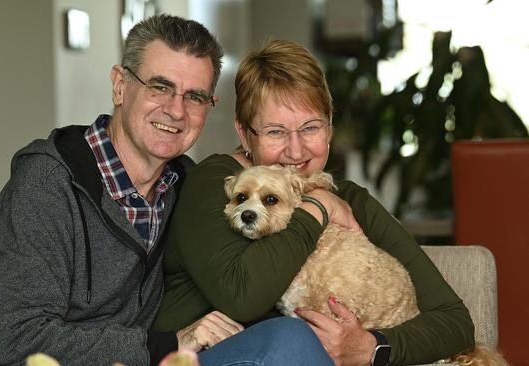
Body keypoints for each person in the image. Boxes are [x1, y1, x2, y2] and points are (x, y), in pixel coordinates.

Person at [0, 14, 244, 366]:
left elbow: (243, 275)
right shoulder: (48, 181)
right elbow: (20, 341)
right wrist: (168, 343)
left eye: (195, 96)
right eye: (159, 86)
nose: (176, 110)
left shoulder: (187, 188)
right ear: (120, 85)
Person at [153, 39, 475, 365]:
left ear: (330, 127)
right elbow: (243, 298)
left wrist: (372, 347)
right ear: (244, 132)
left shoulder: (350, 200)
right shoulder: (217, 182)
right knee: (293, 336)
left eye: (310, 128)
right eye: (276, 132)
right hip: (205, 358)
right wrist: (317, 208)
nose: (296, 152)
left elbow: (454, 322)